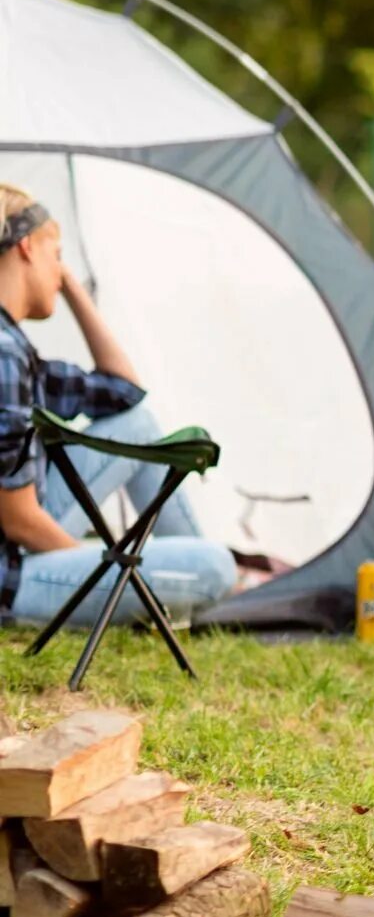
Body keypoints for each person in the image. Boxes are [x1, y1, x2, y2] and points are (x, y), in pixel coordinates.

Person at [0, 186, 239, 629]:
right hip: (11, 579)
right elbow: (19, 523)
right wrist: (112, 568)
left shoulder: (15, 349)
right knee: (215, 566)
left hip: (19, 548)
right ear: (27, 247)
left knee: (138, 424)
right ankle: (189, 594)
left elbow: (124, 392)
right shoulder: (3, 354)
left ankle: (185, 602)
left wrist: (70, 288)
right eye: (59, 256)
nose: (62, 272)